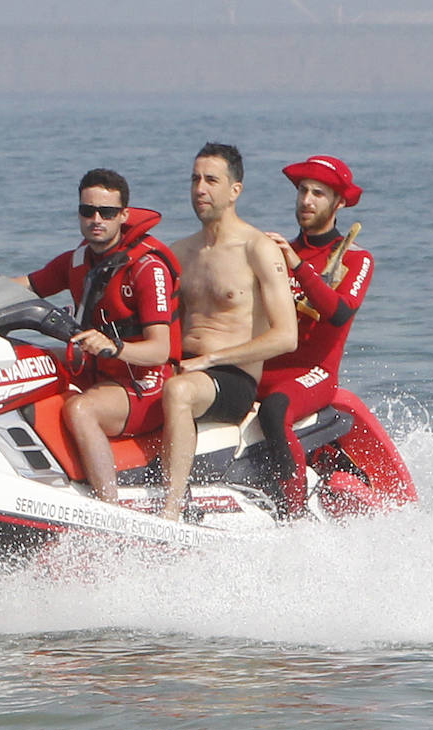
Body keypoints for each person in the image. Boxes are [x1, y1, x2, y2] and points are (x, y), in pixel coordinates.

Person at [0, 168, 180, 503]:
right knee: (22, 363)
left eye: (107, 213)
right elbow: (14, 289)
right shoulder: (78, 260)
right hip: (96, 373)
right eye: (88, 211)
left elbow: (159, 350)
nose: (96, 219)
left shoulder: (147, 269)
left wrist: (115, 347)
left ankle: (108, 507)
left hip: (145, 385)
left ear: (123, 215)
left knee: (80, 410)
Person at [159, 142, 297, 521]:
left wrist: (211, 358)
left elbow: (287, 336)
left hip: (232, 376)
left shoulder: (258, 248)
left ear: (235, 190)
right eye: (194, 179)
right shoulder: (179, 252)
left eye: (211, 180)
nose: (199, 188)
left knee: (178, 391)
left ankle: (172, 508)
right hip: (185, 365)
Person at [258, 155, 373, 518]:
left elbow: (338, 312)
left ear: (338, 203)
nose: (306, 200)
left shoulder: (358, 258)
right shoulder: (276, 251)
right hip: (264, 365)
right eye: (303, 191)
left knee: (275, 410)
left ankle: (293, 515)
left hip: (314, 372)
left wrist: (295, 264)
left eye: (318, 194)